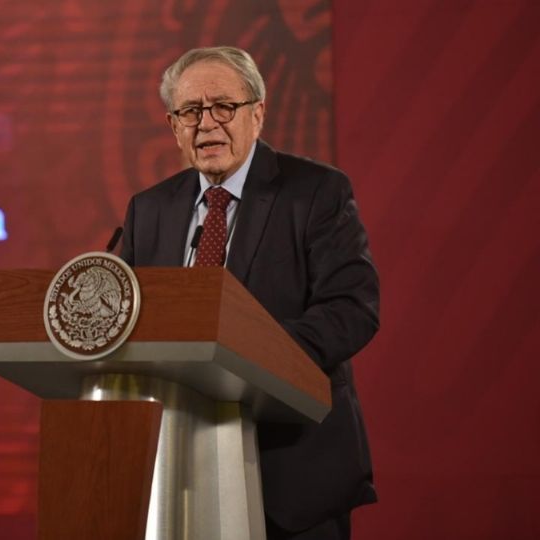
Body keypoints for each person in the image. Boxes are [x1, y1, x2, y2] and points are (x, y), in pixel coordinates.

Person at [120, 46, 379, 539]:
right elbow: (130, 319)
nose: (207, 123)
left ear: (257, 114)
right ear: (174, 126)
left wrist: (250, 361)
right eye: (190, 111)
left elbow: (352, 307)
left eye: (223, 106)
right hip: (175, 470)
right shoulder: (149, 209)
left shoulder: (317, 192)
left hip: (293, 468)